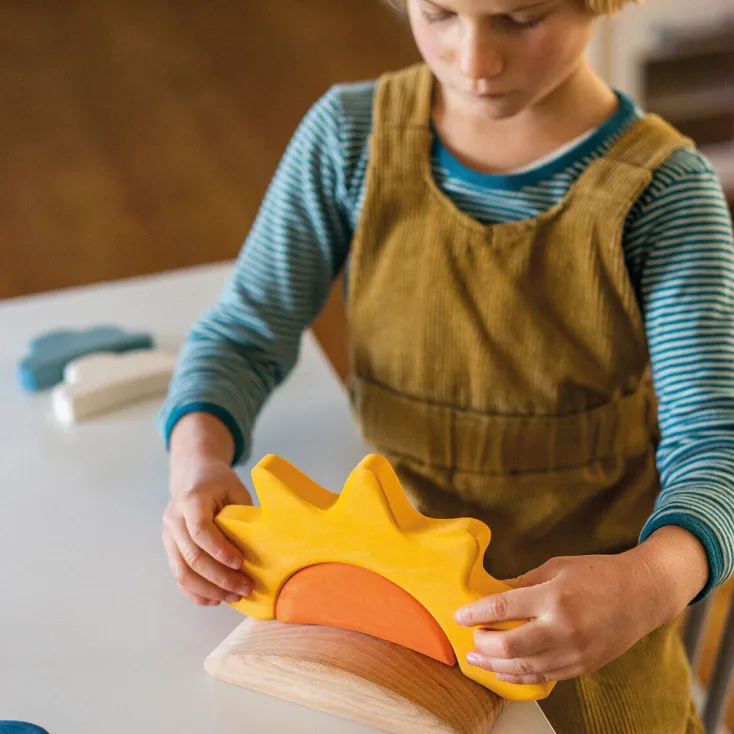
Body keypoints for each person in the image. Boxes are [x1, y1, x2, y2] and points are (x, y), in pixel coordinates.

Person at [158, 0, 734, 730]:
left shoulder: (666, 195)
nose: (474, 61)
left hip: (587, 628)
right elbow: (244, 332)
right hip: (388, 606)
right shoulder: (350, 138)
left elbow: (716, 446)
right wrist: (196, 464)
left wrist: (649, 585)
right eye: (438, 14)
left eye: (520, 19)